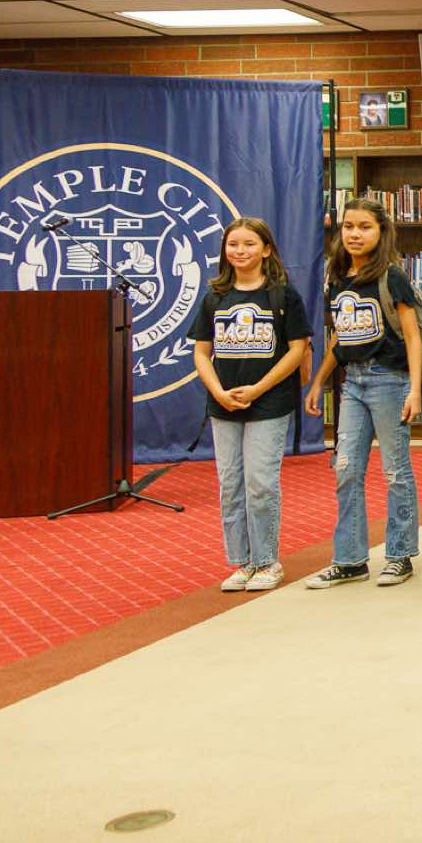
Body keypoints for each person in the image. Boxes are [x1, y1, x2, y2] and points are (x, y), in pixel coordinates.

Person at [304, 198, 422, 588]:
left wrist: (415, 389)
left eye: (365, 227)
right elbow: (341, 335)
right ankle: (350, 559)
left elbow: (412, 336)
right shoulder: (337, 276)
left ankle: (400, 554)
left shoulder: (391, 276)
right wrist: (319, 380)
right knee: (346, 469)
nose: (355, 234)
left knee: (395, 470)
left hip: (390, 380)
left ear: (381, 231)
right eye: (349, 227)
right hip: (352, 382)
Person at [191, 217, 309, 593]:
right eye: (233, 244)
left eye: (249, 244)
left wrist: (258, 389)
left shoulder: (282, 296)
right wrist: (218, 392)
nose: (240, 251)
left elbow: (297, 349)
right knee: (231, 484)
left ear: (266, 249)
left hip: (269, 400)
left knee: (260, 483)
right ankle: (242, 561)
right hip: (224, 404)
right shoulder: (215, 296)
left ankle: (267, 560)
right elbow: (201, 352)